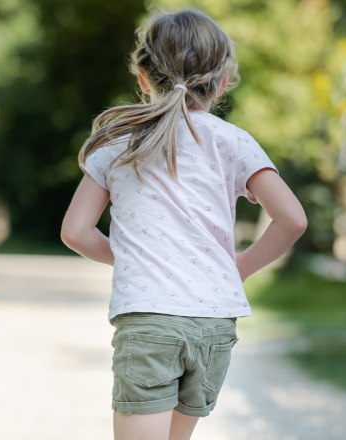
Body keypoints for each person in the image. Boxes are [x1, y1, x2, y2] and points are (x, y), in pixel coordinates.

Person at [60, 9, 307, 440]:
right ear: (223, 81)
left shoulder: (119, 145)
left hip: (150, 318)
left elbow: (76, 232)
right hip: (213, 322)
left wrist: (139, 258)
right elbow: (292, 219)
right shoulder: (233, 142)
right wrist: (240, 267)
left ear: (142, 75)